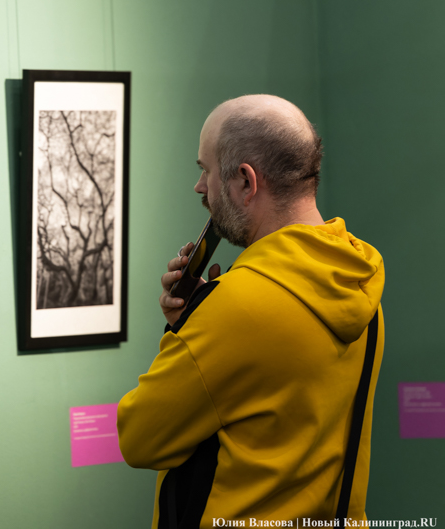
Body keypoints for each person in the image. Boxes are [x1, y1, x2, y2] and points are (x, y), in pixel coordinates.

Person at [117, 95, 384, 527]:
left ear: (245, 181)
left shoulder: (235, 306)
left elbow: (140, 438)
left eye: (205, 170)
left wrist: (189, 330)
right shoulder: (357, 281)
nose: (200, 187)